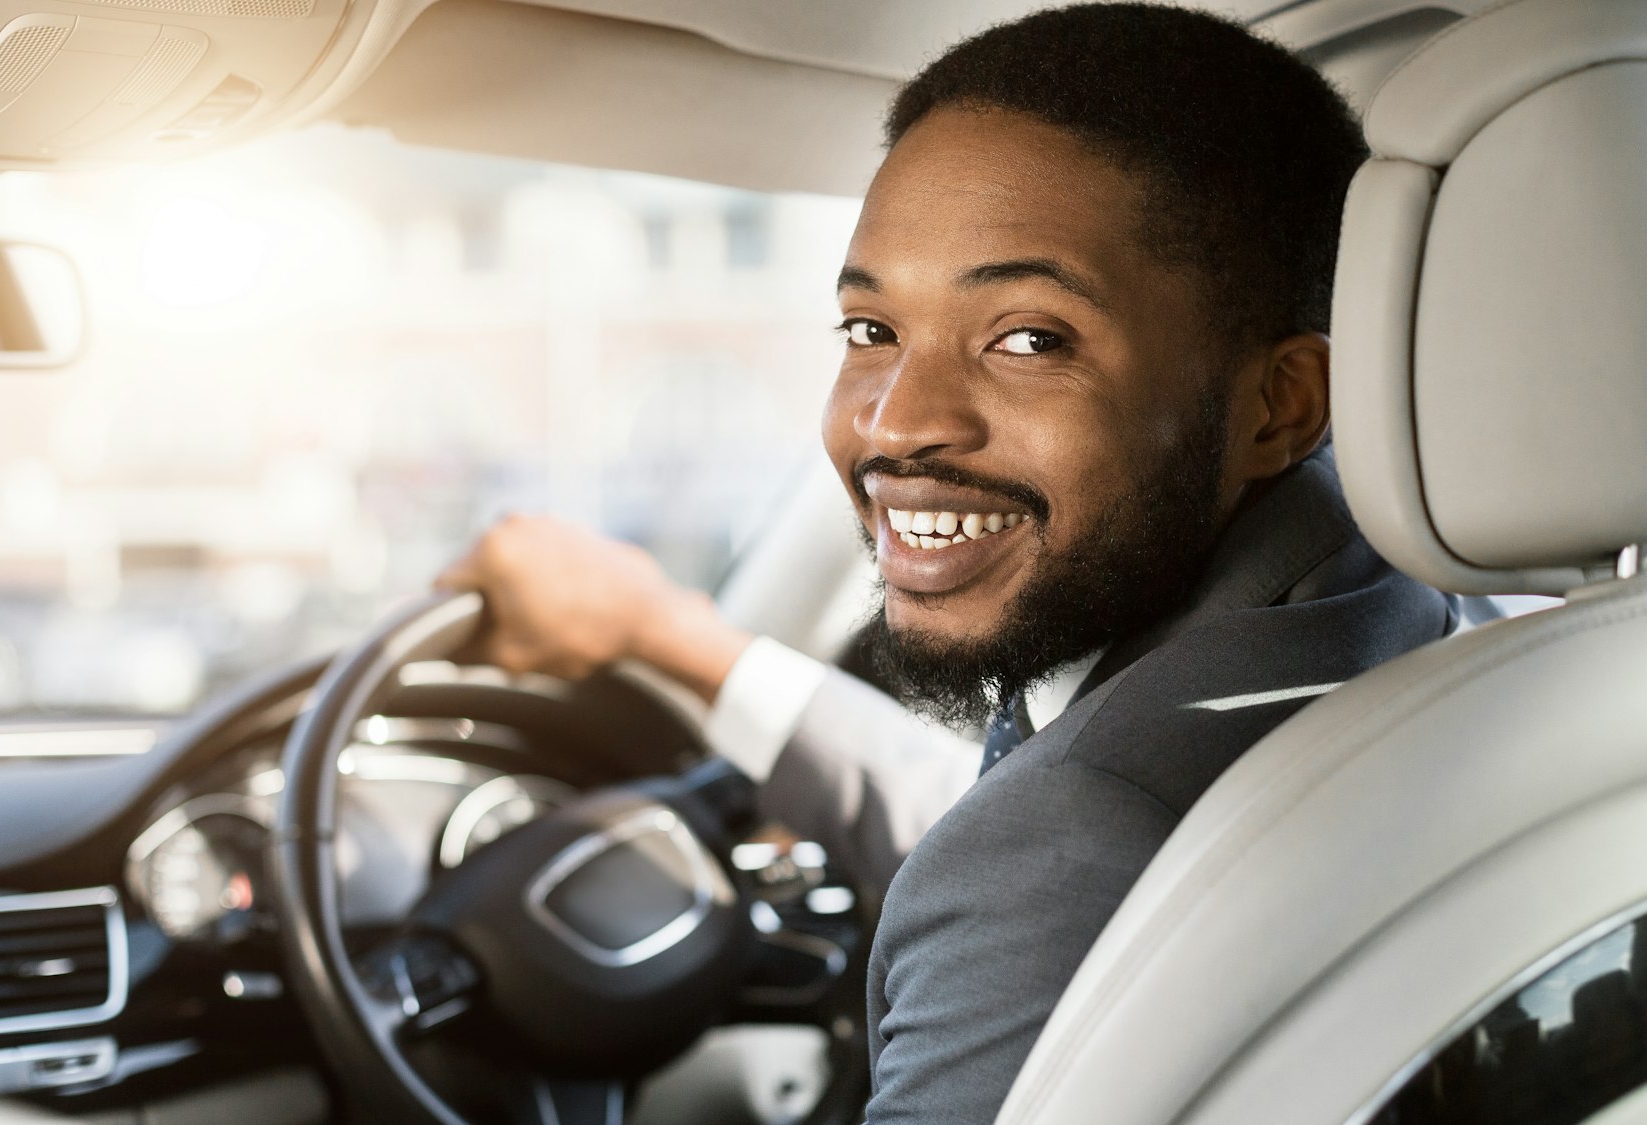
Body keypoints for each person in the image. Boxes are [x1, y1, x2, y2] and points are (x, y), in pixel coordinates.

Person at [438, 4, 1456, 1120]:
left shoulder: (1063, 850)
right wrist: (667, 638)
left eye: (1029, 339)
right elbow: (1020, 819)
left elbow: (1045, 848)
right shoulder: (1380, 614)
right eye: (869, 331)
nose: (895, 424)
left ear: (1279, 404)